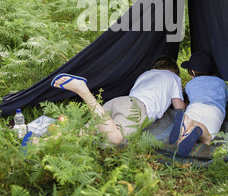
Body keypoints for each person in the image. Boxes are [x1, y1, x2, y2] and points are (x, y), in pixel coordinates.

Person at [51, 55, 186, 145]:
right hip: (137, 108)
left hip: (121, 101)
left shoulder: (146, 74)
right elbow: (179, 106)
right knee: (115, 138)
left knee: (84, 133)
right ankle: (83, 91)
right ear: (173, 70)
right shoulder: (173, 77)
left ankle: (40, 142)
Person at [169, 51, 228, 157]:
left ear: (192, 72)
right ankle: (194, 129)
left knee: (187, 125)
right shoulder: (222, 83)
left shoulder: (190, 84)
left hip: (195, 107)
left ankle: (186, 124)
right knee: (208, 138)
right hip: (214, 110)